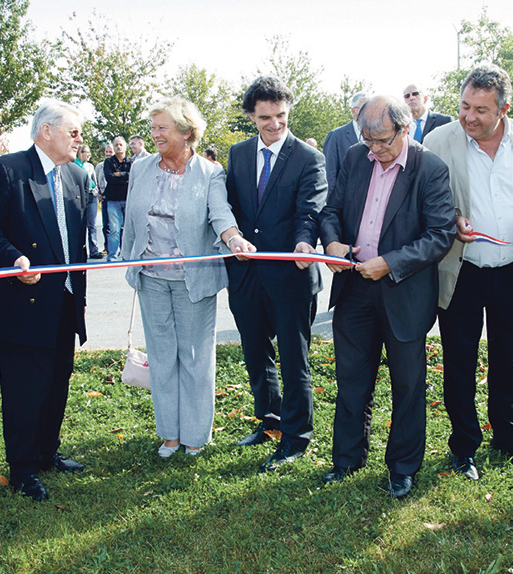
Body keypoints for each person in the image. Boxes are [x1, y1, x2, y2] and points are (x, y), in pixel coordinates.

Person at [424, 64, 513, 481]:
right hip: (460, 271)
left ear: (504, 109)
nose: (469, 117)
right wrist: (453, 220)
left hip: (511, 269)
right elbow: (427, 200)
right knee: (459, 362)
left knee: (508, 360)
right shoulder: (437, 141)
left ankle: (509, 441)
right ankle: (463, 447)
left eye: (481, 110)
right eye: (465, 106)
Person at [319, 95, 456, 499]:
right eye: (368, 139)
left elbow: (440, 235)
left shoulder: (429, 168)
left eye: (383, 140)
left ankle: (402, 467)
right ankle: (346, 459)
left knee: (408, 385)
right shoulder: (353, 158)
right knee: (351, 380)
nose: (375, 149)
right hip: (354, 288)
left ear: (406, 128)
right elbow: (331, 211)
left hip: (404, 292)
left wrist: (390, 263)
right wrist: (332, 244)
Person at [0, 100, 90, 502]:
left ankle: (45, 453)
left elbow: (76, 242)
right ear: (46, 132)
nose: (79, 138)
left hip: (66, 300)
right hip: (24, 304)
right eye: (72, 131)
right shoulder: (7, 170)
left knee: (57, 382)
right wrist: (13, 258)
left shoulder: (75, 175)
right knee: (24, 389)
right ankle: (22, 468)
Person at [122, 97, 255, 459]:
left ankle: (196, 434)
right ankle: (169, 433)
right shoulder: (141, 167)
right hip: (150, 275)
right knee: (162, 355)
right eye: (153, 128)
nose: (155, 135)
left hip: (192, 280)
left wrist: (234, 238)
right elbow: (132, 217)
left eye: (162, 128)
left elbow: (220, 214)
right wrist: (129, 256)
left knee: (195, 356)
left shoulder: (209, 173)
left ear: (186, 133)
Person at [224, 76, 328, 472]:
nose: (275, 124)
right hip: (246, 275)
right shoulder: (237, 153)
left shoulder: (308, 158)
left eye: (281, 115)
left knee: (293, 356)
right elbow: (232, 208)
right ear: (252, 115)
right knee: (255, 352)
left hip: (291, 274)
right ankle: (269, 420)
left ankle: (296, 437)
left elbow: (310, 211)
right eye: (265, 117)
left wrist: (305, 242)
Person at [323, 93, 367, 193]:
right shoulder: (336, 136)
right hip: (343, 200)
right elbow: (329, 174)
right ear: (353, 111)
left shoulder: (376, 136)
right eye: (364, 108)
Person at [103, 136, 132, 260]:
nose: (118, 147)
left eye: (121, 144)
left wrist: (120, 174)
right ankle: (112, 256)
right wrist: (125, 179)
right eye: (116, 145)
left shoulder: (131, 162)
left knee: (127, 229)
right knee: (114, 229)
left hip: (128, 199)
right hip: (113, 200)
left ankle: (126, 254)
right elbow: (109, 178)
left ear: (125, 147)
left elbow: (133, 177)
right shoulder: (108, 162)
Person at [75, 144, 103, 259]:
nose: (89, 154)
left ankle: (94, 250)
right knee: (79, 225)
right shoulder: (74, 165)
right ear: (80, 152)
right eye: (87, 152)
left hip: (91, 197)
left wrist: (96, 191)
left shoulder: (90, 166)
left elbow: (94, 181)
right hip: (79, 197)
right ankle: (79, 250)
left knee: (92, 225)